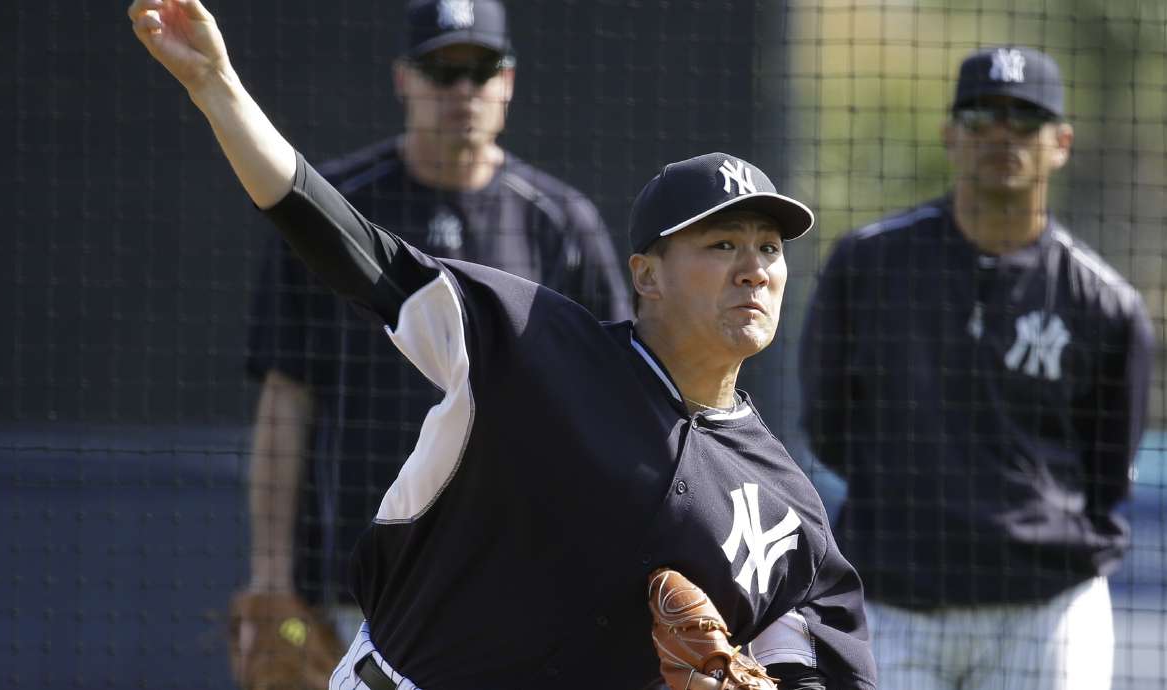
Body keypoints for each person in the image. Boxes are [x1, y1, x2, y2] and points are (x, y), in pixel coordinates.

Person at [126, 1, 877, 687]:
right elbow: (351, 246)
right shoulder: (535, 349)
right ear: (646, 276)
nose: (755, 269)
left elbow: (822, 660)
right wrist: (217, 87)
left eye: (770, 247)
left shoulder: (785, 507)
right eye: (722, 245)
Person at [240, 0, 629, 685]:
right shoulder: (338, 214)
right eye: (440, 71)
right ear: (403, 79)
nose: (462, 91)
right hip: (357, 580)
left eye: (480, 70)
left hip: (513, 581)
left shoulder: (560, 222)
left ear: (508, 80)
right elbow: (284, 400)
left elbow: (613, 404)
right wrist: (272, 576)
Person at [800, 46, 1154, 690]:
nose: (1000, 133)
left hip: (1046, 609)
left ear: (1061, 143)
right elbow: (828, 425)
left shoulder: (1105, 302)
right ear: (949, 135)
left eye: (1024, 118)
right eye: (980, 115)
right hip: (893, 598)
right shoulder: (867, 266)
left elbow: (1107, 471)